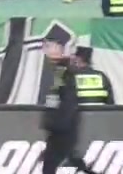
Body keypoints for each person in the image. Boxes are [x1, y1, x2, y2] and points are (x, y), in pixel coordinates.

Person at [40, 41, 108, 174]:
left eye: (50, 47)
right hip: (62, 128)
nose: (46, 51)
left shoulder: (65, 75)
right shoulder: (61, 74)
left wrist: (56, 127)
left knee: (52, 164)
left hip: (63, 128)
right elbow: (55, 101)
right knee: (70, 159)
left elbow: (65, 102)